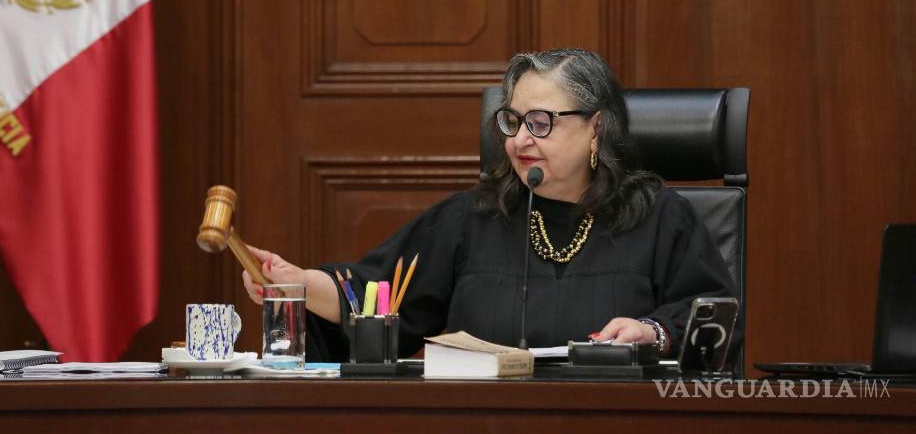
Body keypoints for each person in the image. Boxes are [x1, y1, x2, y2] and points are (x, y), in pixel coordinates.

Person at [243, 48, 738, 361]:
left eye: (541, 122)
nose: (520, 140)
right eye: (512, 122)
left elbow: (714, 317)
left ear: (596, 128)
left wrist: (652, 332)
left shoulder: (659, 217)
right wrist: (298, 284)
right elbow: (378, 296)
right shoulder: (473, 218)